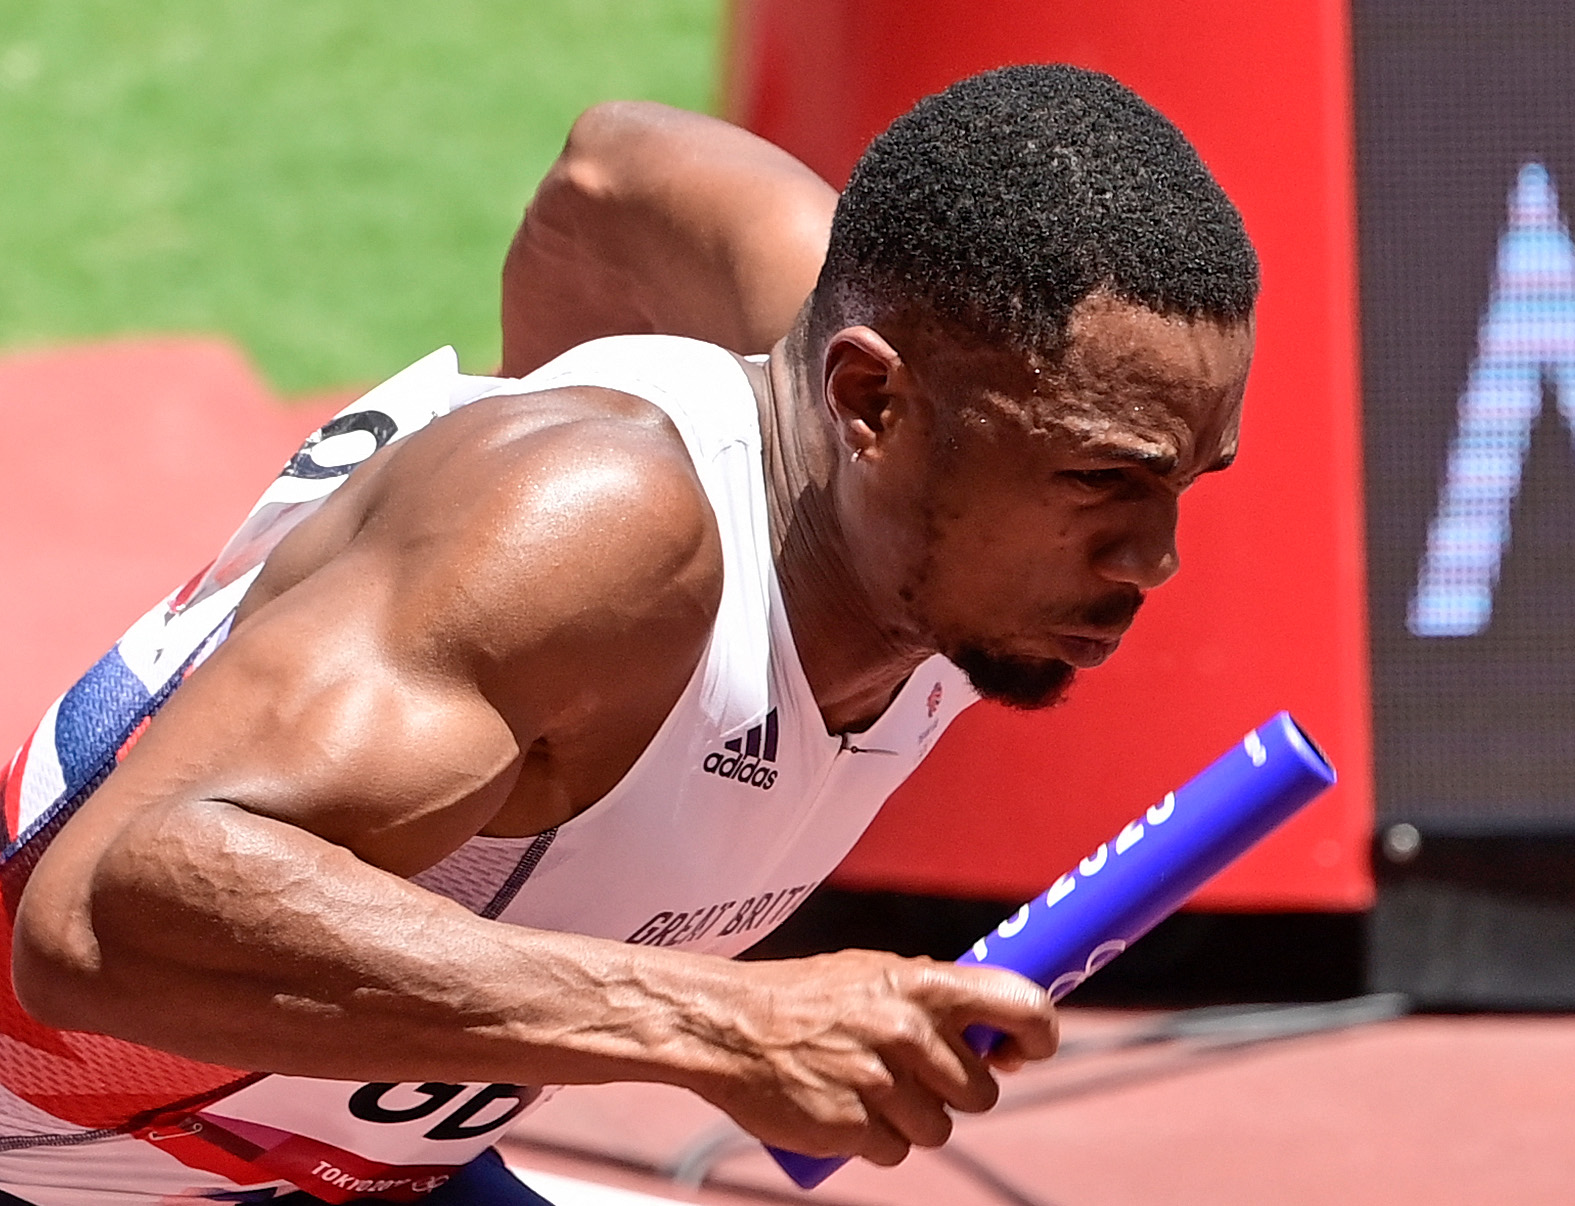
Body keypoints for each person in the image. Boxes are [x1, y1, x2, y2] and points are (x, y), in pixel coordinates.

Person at [0, 63, 1258, 1205]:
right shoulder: (596, 542)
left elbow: (611, 168)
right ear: (872, 404)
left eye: (1182, 484)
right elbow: (100, 916)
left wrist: (513, 443)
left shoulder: (926, 378)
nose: (1153, 560)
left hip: (334, 1172)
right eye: (1099, 484)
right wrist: (724, 1024)